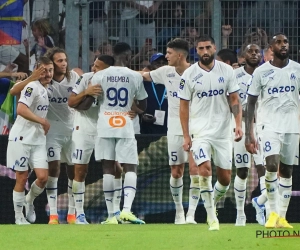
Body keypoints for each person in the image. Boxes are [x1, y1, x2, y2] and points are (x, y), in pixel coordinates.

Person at [179, 35, 243, 230]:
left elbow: (234, 100)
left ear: (214, 48)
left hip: (223, 132)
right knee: (204, 168)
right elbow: (183, 107)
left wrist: (238, 124)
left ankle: (212, 202)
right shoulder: (188, 75)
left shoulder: (226, 71)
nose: (205, 51)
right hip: (200, 132)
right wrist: (186, 135)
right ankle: (211, 217)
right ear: (196, 51)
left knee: (225, 179)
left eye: (208, 47)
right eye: (200, 48)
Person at [82, 42, 148, 224]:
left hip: (104, 124)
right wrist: (133, 104)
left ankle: (112, 215)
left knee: (108, 168)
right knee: (130, 166)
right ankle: (126, 210)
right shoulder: (135, 76)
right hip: (124, 123)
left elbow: (88, 102)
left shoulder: (100, 75)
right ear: (127, 55)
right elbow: (143, 106)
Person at [142, 38, 201, 224]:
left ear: (179, 55)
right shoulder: (165, 72)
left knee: (195, 170)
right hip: (174, 126)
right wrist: (117, 72)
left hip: (197, 126)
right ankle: (179, 212)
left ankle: (191, 213)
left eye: (168, 53)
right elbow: (143, 75)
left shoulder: (197, 72)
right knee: (176, 171)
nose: (166, 56)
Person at [245, 33, 300, 229]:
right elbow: (250, 103)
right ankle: (272, 213)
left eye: (286, 41)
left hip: (292, 125)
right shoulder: (261, 72)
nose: (283, 45)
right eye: (278, 42)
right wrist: (248, 132)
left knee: (286, 170)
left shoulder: (297, 69)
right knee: (271, 165)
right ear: (271, 47)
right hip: (268, 125)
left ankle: (281, 217)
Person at [68, 55, 115, 224]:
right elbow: (71, 101)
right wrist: (86, 92)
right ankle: (79, 213)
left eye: (98, 67)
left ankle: (112, 213)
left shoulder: (114, 82)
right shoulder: (85, 78)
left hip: (106, 129)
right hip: (84, 130)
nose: (93, 69)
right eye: (93, 65)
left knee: (112, 168)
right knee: (80, 170)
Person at [6, 57, 53, 224]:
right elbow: (21, 109)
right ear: (37, 70)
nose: (48, 74)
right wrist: (42, 121)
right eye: (44, 70)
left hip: (38, 139)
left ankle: (29, 200)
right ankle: (19, 217)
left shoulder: (48, 89)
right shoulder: (32, 87)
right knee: (22, 176)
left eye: (50, 70)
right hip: (21, 138)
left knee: (42, 177)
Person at [44, 47, 80, 224]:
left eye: (65, 60)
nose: (64, 63)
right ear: (51, 63)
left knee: (74, 171)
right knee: (54, 170)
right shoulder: (44, 81)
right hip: (52, 132)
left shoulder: (74, 78)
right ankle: (53, 214)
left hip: (72, 130)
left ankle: (72, 213)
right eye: (59, 61)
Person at [232, 44, 265, 226]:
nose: (254, 54)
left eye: (257, 52)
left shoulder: (266, 73)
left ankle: (264, 209)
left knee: (264, 169)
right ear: (243, 56)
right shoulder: (235, 75)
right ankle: (240, 214)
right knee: (243, 171)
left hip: (261, 125)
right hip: (240, 125)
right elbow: (229, 100)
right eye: (250, 51)